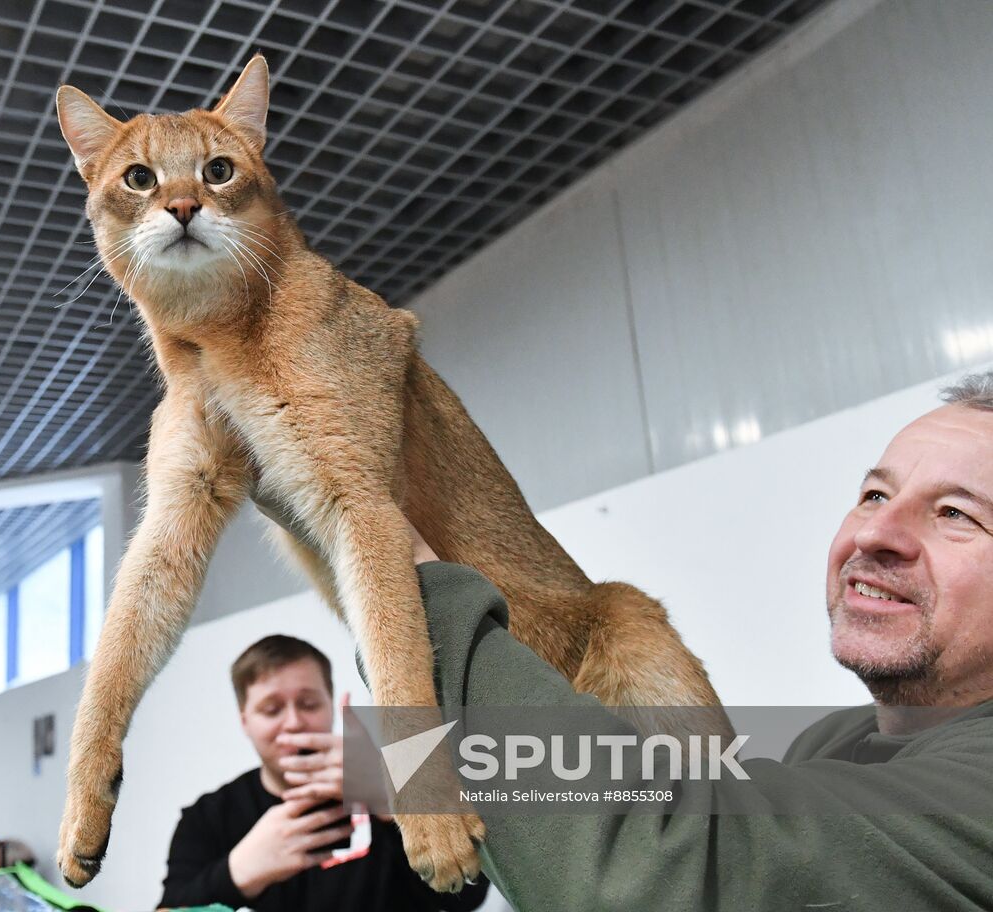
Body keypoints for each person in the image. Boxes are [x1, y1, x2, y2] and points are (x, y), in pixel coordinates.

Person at [399, 371, 993, 910]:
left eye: (955, 513)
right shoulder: (837, 739)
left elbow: (642, 877)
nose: (877, 532)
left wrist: (410, 596)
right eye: (874, 496)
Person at [158, 635, 489, 911]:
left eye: (309, 703)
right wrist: (237, 873)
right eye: (271, 709)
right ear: (245, 720)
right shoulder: (207, 817)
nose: (293, 722)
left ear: (331, 704)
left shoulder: (400, 774)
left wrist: (392, 799)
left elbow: (469, 896)